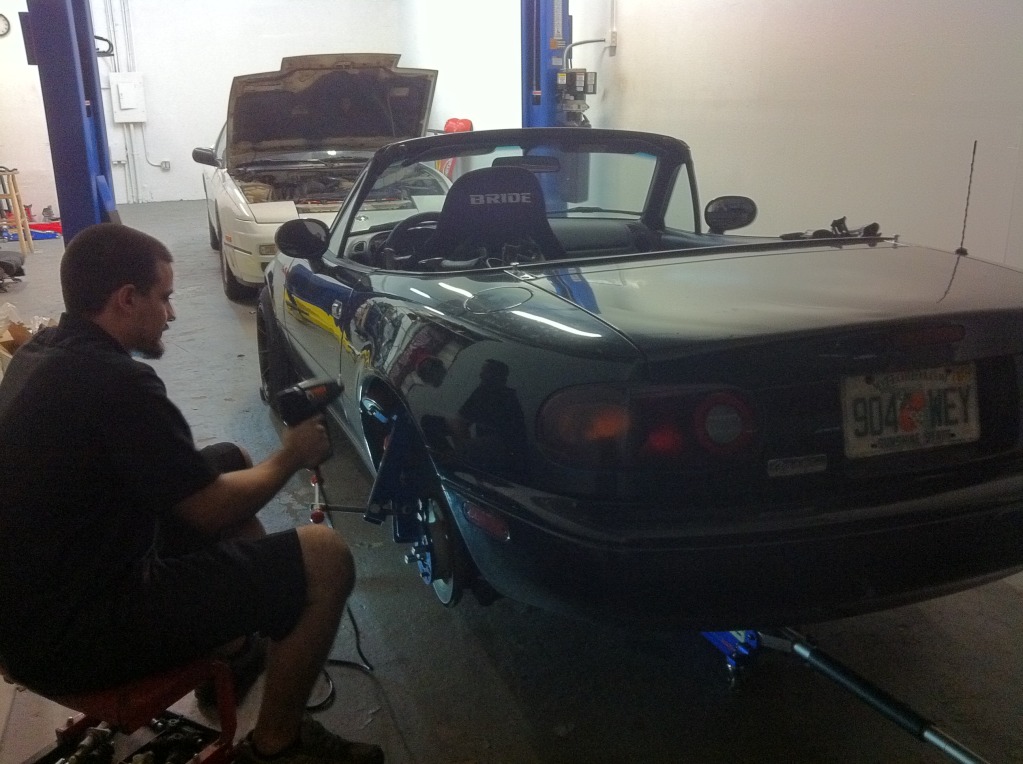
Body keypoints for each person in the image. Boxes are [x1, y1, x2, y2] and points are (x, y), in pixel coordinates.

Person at [0, 223, 382, 764]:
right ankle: (278, 745)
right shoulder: (116, 381)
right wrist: (292, 455)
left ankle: (242, 635)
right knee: (324, 556)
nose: (172, 314)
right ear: (127, 299)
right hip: (74, 637)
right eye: (164, 298)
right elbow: (209, 511)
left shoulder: (42, 354)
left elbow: (168, 478)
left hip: (28, 611)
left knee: (228, 459)